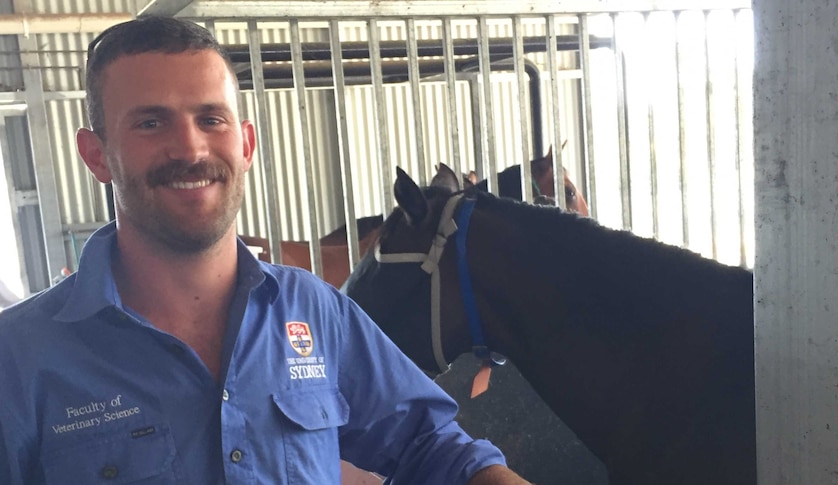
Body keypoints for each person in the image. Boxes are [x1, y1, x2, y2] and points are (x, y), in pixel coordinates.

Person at [0, 16, 530, 485]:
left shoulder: (315, 311)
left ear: (246, 145)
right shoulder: (20, 360)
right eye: (150, 122)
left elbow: (428, 445)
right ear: (96, 156)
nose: (190, 148)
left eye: (211, 119)